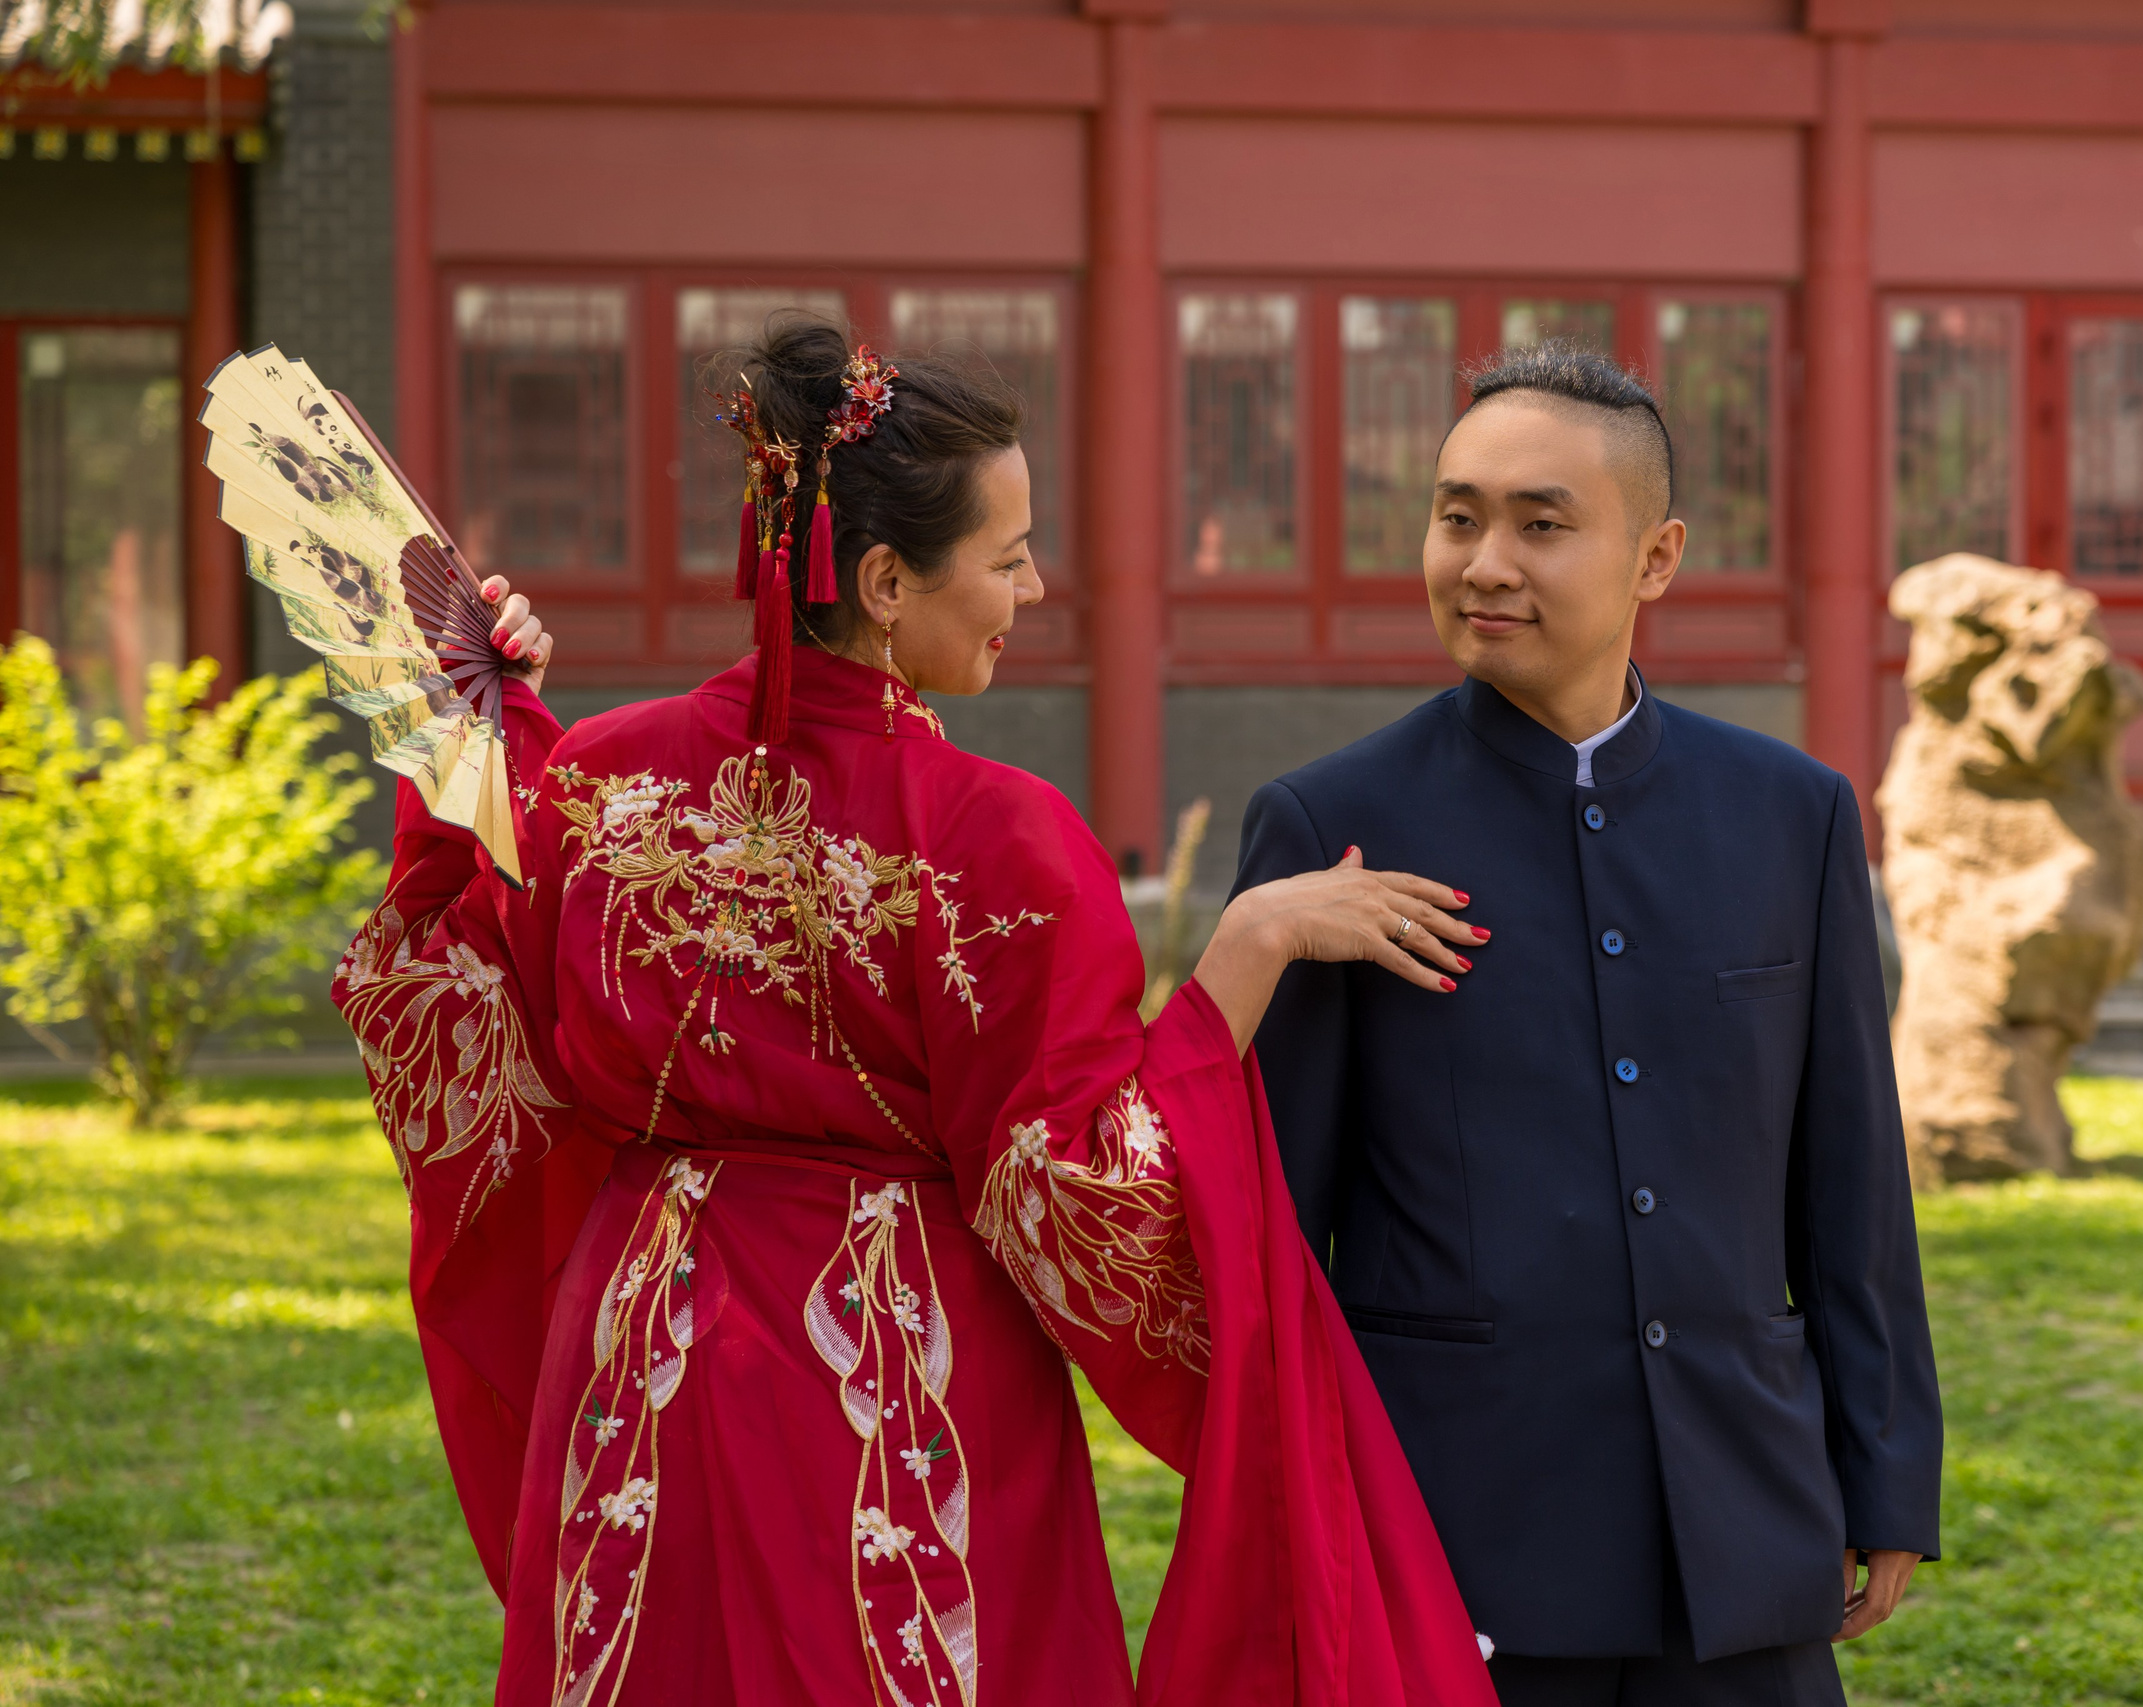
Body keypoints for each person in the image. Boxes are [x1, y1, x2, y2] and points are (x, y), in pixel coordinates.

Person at [332, 317, 1505, 1707]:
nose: (1036, 587)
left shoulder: (601, 779)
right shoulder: (997, 844)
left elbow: (450, 997)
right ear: (885, 580)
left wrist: (486, 725)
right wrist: (1245, 955)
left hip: (643, 1335)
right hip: (885, 1354)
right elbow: (1075, 1193)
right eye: (1008, 560)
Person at [1233, 343, 1943, 1706]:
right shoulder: (1328, 831)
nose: (1485, 561)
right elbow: (1277, 1230)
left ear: (1656, 557)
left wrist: (1886, 1467)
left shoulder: (1792, 817)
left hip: (1742, 1524)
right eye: (1457, 515)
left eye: (1540, 524)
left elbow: (1849, 1183)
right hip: (1455, 1533)